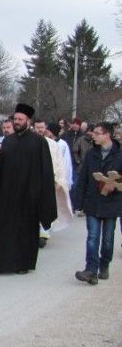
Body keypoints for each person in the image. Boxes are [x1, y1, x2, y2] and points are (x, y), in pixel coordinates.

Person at [0, 103, 57, 274]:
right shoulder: (8, 141)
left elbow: (46, 171)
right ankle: (1, 264)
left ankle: (23, 264)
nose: (16, 122)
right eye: (15, 119)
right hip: (7, 195)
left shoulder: (39, 142)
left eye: (20, 119)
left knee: (25, 232)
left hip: (29, 196)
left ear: (28, 121)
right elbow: (2, 170)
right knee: (2, 228)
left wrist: (41, 196)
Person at [72, 122, 121, 284]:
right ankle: (91, 270)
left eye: (98, 133)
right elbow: (83, 177)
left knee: (107, 240)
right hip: (93, 201)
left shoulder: (119, 154)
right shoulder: (91, 154)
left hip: (112, 203)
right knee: (92, 237)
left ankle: (104, 264)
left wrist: (114, 183)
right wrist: (77, 201)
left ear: (107, 134)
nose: (94, 135)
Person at [33, 120, 70, 247]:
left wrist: (59, 179)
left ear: (45, 128)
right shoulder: (29, 143)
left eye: (42, 127)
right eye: (37, 127)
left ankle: (44, 233)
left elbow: (60, 163)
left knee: (45, 208)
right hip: (33, 182)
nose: (39, 130)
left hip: (49, 182)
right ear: (34, 128)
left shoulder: (53, 145)